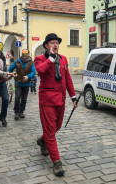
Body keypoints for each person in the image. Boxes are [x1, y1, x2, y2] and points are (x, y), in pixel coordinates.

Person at [34, 33, 78, 176]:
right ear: (46, 46)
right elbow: (40, 71)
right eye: (52, 43)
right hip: (47, 100)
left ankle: (42, 140)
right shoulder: (40, 59)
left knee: (56, 126)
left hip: (61, 99)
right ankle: (57, 163)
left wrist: (73, 96)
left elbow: (68, 78)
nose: (55, 45)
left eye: (57, 43)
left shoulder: (63, 59)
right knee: (51, 132)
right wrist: (51, 59)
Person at [8, 49, 36, 120]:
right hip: (18, 82)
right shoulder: (17, 62)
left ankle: (21, 111)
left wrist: (28, 76)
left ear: (28, 55)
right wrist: (11, 74)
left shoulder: (31, 63)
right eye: (23, 54)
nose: (24, 56)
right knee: (17, 97)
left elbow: (33, 72)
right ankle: (16, 112)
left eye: (25, 54)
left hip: (26, 83)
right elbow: (10, 69)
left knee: (24, 98)